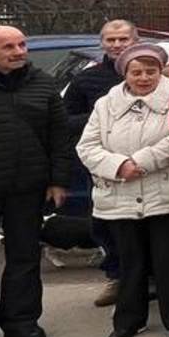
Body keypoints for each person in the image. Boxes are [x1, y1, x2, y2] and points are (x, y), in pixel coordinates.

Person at [74, 42, 169, 337]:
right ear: (125, 74)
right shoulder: (106, 104)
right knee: (131, 262)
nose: (143, 77)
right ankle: (129, 320)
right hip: (120, 196)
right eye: (136, 72)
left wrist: (139, 163)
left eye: (150, 71)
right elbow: (87, 146)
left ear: (160, 71)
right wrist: (118, 166)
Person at [0, 25, 73, 337]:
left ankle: (21, 320)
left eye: (22, 45)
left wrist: (58, 180)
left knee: (24, 257)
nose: (19, 51)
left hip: (28, 188)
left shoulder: (42, 84)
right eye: (8, 47)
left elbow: (59, 136)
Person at [62, 17, 136, 309]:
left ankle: (151, 279)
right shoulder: (86, 79)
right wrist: (101, 115)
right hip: (104, 168)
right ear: (102, 42)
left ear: (136, 40)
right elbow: (66, 121)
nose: (117, 45)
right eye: (111, 40)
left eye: (123, 39)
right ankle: (116, 277)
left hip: (147, 164)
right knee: (105, 227)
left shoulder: (152, 71)